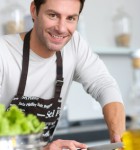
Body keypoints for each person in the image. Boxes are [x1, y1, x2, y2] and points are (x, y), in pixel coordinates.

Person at [0, 0, 125, 149]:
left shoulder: (74, 45)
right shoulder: (4, 54)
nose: (61, 28)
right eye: (53, 15)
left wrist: (118, 140)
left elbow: (104, 84)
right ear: (34, 10)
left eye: (71, 18)